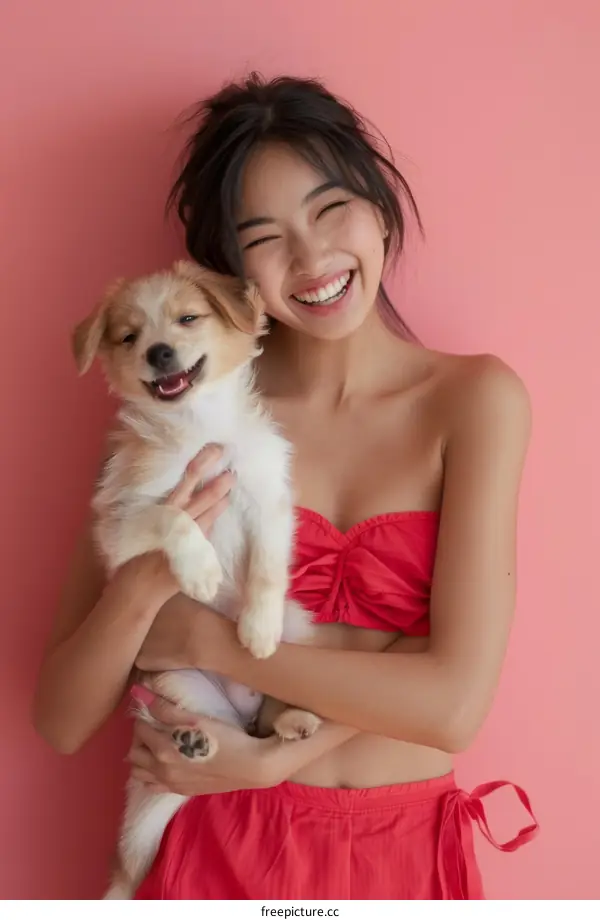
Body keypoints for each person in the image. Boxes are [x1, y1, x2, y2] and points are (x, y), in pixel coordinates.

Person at [33, 74, 538, 900]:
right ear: (230, 271)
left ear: (380, 207)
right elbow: (61, 719)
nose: (311, 259)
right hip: (212, 847)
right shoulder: (182, 415)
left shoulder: (475, 401)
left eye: (331, 208)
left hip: (403, 857)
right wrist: (145, 589)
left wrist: (228, 686)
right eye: (264, 237)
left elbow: (453, 706)